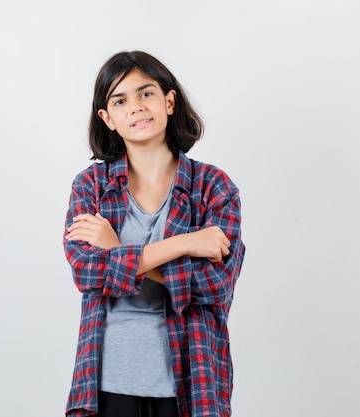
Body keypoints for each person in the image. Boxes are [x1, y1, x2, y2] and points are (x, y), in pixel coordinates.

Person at [63, 50, 245, 417]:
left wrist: (117, 252)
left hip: (192, 380)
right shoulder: (91, 186)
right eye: (120, 100)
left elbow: (214, 286)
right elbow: (86, 273)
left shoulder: (213, 186)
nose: (136, 107)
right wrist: (186, 243)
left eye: (146, 93)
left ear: (169, 100)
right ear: (107, 118)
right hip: (106, 382)